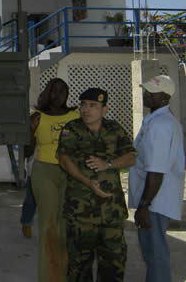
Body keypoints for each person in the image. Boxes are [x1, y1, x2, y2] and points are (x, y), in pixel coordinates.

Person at [58, 88, 137, 282]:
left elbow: (131, 156)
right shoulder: (71, 128)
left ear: (104, 109)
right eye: (83, 104)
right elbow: (63, 159)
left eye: (93, 105)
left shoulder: (115, 129)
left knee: (113, 264)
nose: (86, 109)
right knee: (78, 266)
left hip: (111, 211)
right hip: (80, 212)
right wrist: (87, 182)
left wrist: (108, 164)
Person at [128, 75, 185, 282]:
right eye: (146, 90)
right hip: (155, 197)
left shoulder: (161, 125)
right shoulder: (156, 120)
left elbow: (156, 171)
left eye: (151, 92)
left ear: (164, 98)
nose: (146, 94)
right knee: (152, 250)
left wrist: (145, 205)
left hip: (155, 199)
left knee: (155, 251)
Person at [28, 78, 80, 281]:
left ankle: (64, 275)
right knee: (49, 226)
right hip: (44, 172)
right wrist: (30, 132)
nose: (58, 96)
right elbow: (26, 152)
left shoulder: (75, 117)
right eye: (54, 91)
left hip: (69, 173)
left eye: (63, 92)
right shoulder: (37, 117)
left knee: (67, 227)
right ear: (47, 93)